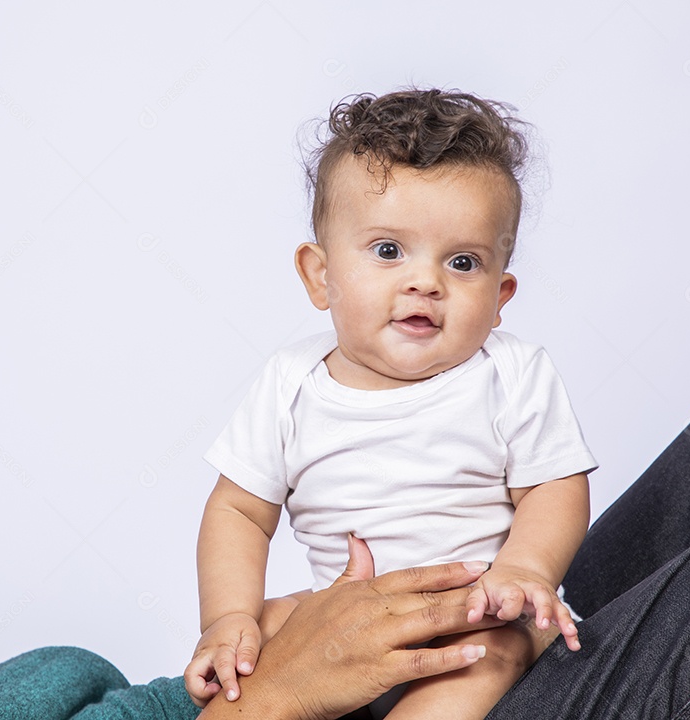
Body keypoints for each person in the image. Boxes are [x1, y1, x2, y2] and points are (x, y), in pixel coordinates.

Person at [0, 327, 690, 718]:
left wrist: (259, 632)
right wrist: (286, 689)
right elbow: (239, 503)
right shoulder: (289, 395)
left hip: (427, 646)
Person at [187, 89, 597, 718]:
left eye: (463, 262)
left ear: (500, 295)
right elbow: (239, 511)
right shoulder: (290, 383)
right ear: (319, 275)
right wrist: (228, 618)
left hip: (477, 612)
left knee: (488, 648)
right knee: (265, 635)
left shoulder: (510, 372)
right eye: (388, 251)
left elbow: (554, 487)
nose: (425, 281)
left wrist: (524, 569)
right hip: (348, 624)